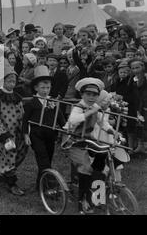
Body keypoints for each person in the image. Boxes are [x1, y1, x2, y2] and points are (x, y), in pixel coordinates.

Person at [62, 77, 106, 214]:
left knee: (103, 156)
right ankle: (82, 201)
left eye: (95, 95)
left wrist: (112, 131)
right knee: (85, 168)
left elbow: (102, 122)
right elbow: (74, 120)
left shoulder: (94, 108)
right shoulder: (78, 107)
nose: (92, 97)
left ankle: (96, 196)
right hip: (74, 142)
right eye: (88, 94)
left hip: (88, 140)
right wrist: (90, 112)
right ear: (82, 94)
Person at [23, 66, 66, 190]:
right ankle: (49, 187)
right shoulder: (32, 102)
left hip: (50, 135)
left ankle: (40, 185)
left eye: (48, 87)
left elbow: (60, 118)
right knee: (43, 160)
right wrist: (26, 135)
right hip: (36, 135)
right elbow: (25, 120)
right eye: (43, 87)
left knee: (48, 159)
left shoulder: (52, 102)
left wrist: (66, 128)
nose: (46, 90)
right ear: (36, 88)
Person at [0, 66, 28, 196]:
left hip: (16, 132)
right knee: (9, 155)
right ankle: (12, 183)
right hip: (4, 134)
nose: (11, 84)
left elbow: (21, 114)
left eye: (13, 81)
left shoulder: (16, 97)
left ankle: (4, 172)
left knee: (21, 152)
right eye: (9, 81)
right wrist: (3, 133)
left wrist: (24, 129)